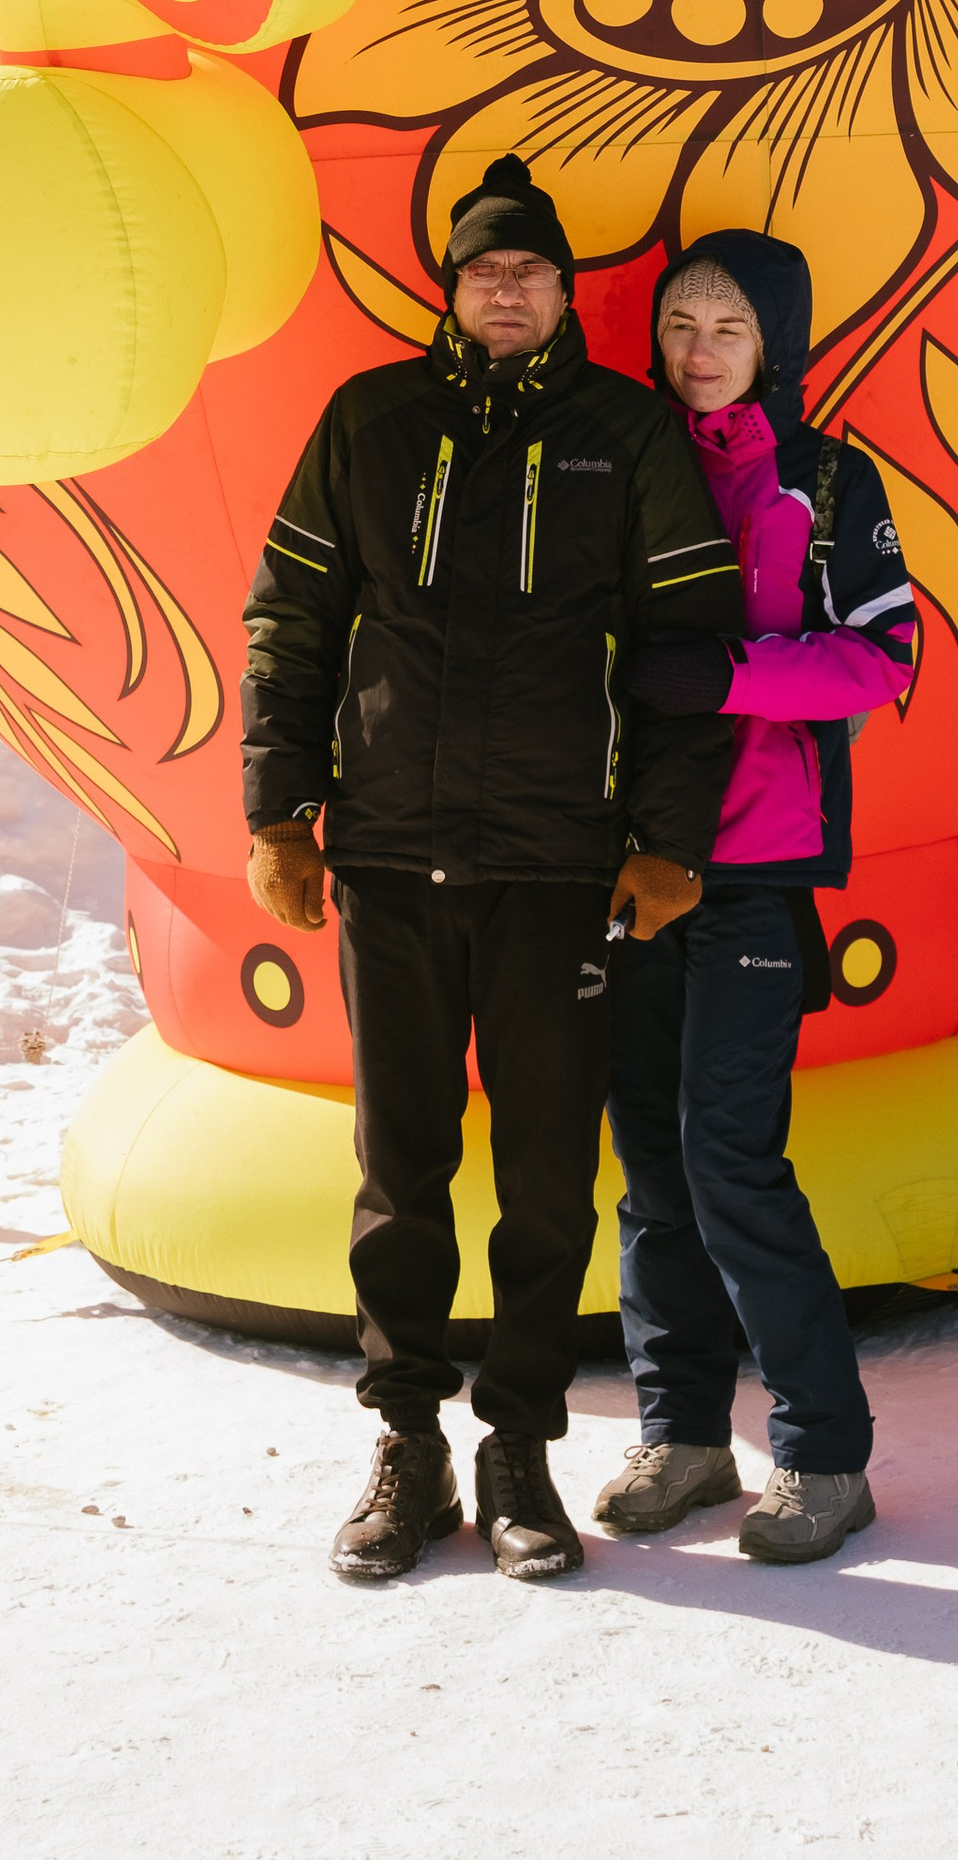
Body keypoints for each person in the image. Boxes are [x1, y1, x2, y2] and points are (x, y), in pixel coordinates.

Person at [241, 155, 745, 1587]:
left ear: (568, 296)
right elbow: (290, 621)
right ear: (451, 293)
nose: (506, 292)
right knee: (399, 1172)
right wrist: (281, 812)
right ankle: (406, 1445)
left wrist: (665, 839)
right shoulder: (371, 423)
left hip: (556, 874)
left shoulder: (625, 435)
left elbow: (691, 653)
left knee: (540, 1180)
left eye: (530, 273)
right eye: (483, 273)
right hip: (391, 861)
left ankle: (517, 1444)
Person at [595, 230, 917, 1566]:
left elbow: (882, 658)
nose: (698, 350)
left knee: (731, 1161)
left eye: (726, 325)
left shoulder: (827, 480)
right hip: (631, 871)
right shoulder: (621, 464)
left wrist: (724, 674)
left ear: (774, 341)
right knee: (655, 1172)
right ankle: (681, 1438)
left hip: (756, 873)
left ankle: (824, 1457)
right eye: (679, 323)